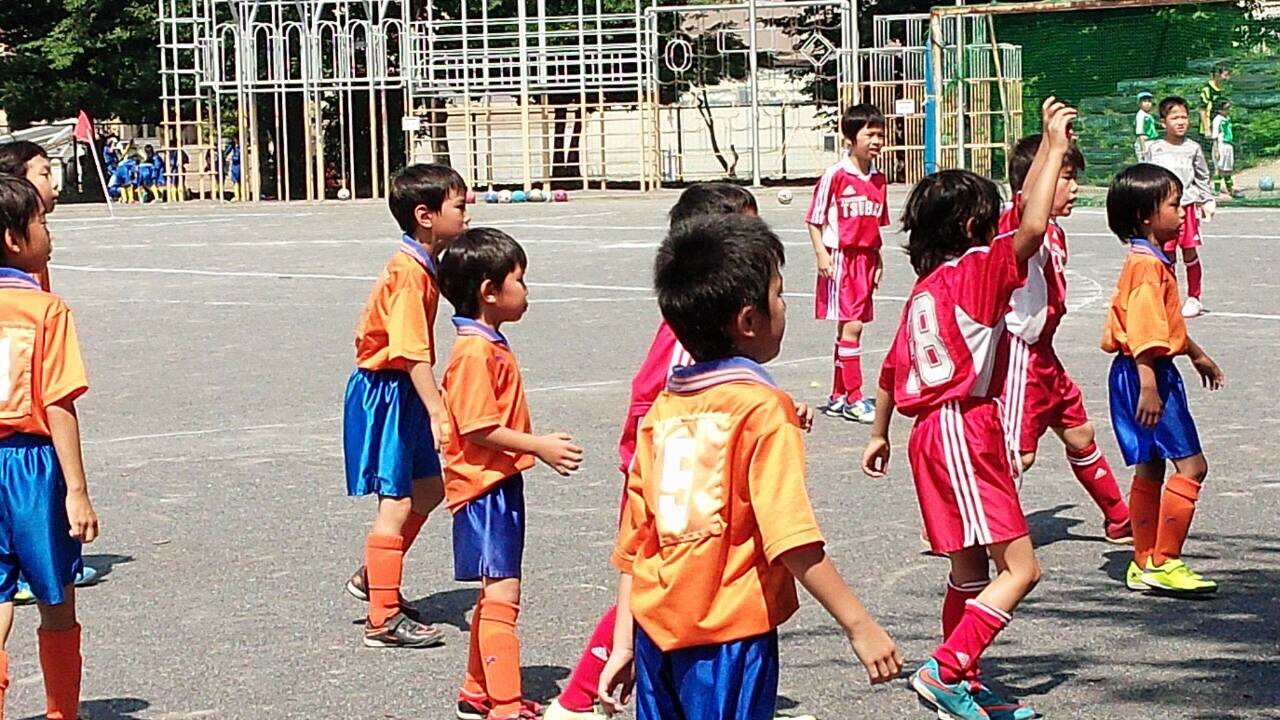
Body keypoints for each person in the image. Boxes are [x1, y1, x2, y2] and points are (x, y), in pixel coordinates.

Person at [598, 213, 902, 720]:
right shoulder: (762, 410)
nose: (785, 306)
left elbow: (637, 540)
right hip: (728, 636)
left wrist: (624, 644)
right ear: (748, 321)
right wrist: (859, 624)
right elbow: (790, 536)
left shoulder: (662, 412)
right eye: (778, 295)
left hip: (655, 634)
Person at [549, 184, 815, 720]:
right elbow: (791, 535)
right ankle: (578, 698)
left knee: (660, 583)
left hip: (673, 493)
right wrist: (858, 623)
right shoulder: (694, 363)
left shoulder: (706, 351)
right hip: (684, 502)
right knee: (680, 582)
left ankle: (592, 684)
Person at [862, 98, 1077, 720]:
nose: (1000, 223)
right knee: (1022, 568)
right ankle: (946, 669)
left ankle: (964, 678)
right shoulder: (976, 271)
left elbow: (890, 372)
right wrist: (1053, 147)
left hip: (930, 433)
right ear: (970, 226)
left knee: (970, 570)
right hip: (963, 425)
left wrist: (878, 432)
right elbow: (1030, 230)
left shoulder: (926, 291)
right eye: (990, 216)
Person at [440, 228, 583, 720]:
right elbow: (478, 427)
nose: (526, 290)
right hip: (483, 489)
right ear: (489, 291)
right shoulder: (474, 352)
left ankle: (477, 690)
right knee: (503, 594)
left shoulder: (488, 344)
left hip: (498, 484)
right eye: (519, 279)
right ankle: (504, 705)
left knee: (493, 593)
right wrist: (538, 445)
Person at [341, 164, 469, 648]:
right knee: (396, 499)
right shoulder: (409, 273)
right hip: (387, 392)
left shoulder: (424, 263)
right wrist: (438, 410)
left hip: (401, 389)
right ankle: (382, 619)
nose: (467, 213)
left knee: (429, 490)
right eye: (459, 206)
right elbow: (411, 352)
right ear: (425, 215)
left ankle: (374, 576)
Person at [0, 175, 101, 720]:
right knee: (55, 595)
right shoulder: (46, 310)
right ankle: (62, 710)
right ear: (14, 239)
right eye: (41, 223)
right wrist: (77, 490)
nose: (49, 232)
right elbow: (58, 402)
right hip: (32, 467)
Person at [998, 134, 1132, 543]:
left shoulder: (1055, 232)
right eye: (1066, 177)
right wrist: (1050, 144)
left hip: (1044, 355)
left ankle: (1119, 518)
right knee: (1018, 453)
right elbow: (1027, 206)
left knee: (1079, 433)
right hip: (1018, 355)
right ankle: (968, 525)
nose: (1075, 188)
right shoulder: (1022, 224)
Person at [1102, 163, 1225, 595]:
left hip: (1134, 371)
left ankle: (1143, 561)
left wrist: (1196, 353)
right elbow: (1144, 331)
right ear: (1145, 217)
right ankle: (1165, 560)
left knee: (1151, 464)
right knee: (1192, 466)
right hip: (1147, 372)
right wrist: (1150, 385)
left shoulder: (1149, 260)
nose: (1181, 212)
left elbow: (1162, 322)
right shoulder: (1147, 267)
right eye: (1174, 205)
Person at [807, 104, 890, 423]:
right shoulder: (836, 175)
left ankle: (838, 395)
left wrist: (878, 259)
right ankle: (855, 398)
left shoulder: (879, 179)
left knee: (848, 328)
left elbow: (875, 225)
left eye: (880, 135)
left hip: (866, 259)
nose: (876, 141)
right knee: (853, 326)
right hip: (842, 257)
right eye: (869, 135)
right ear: (850, 139)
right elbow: (814, 220)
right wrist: (822, 254)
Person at [1146, 96, 1213, 318]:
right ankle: (1168, 297)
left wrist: (1207, 200)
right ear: (1163, 122)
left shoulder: (1193, 148)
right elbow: (1147, 178)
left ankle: (1194, 297)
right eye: (1175, 118)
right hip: (1163, 209)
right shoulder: (1154, 148)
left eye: (1184, 117)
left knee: (1189, 250)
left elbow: (1202, 176)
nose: (1181, 122)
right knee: (1166, 253)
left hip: (1187, 207)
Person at [1210, 98, 1237, 199]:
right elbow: (1215, 136)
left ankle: (1230, 190)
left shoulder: (1227, 118)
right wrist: (1216, 150)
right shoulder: (1217, 120)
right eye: (1226, 108)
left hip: (1228, 145)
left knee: (1228, 169)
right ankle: (1217, 191)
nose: (1228, 110)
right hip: (1221, 145)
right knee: (1219, 169)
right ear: (1220, 109)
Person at [1198, 63, 1230, 138]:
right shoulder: (1207, 89)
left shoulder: (1220, 89)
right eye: (1225, 75)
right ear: (1217, 75)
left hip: (1217, 126)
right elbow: (1202, 110)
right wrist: (1206, 129)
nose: (1227, 78)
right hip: (1208, 128)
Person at [1133, 91, 1158, 161]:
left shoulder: (1148, 115)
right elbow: (1140, 134)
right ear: (1139, 103)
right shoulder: (1140, 116)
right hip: (1145, 143)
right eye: (1144, 101)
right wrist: (1143, 150)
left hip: (1151, 142)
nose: (1147, 104)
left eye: (1149, 101)